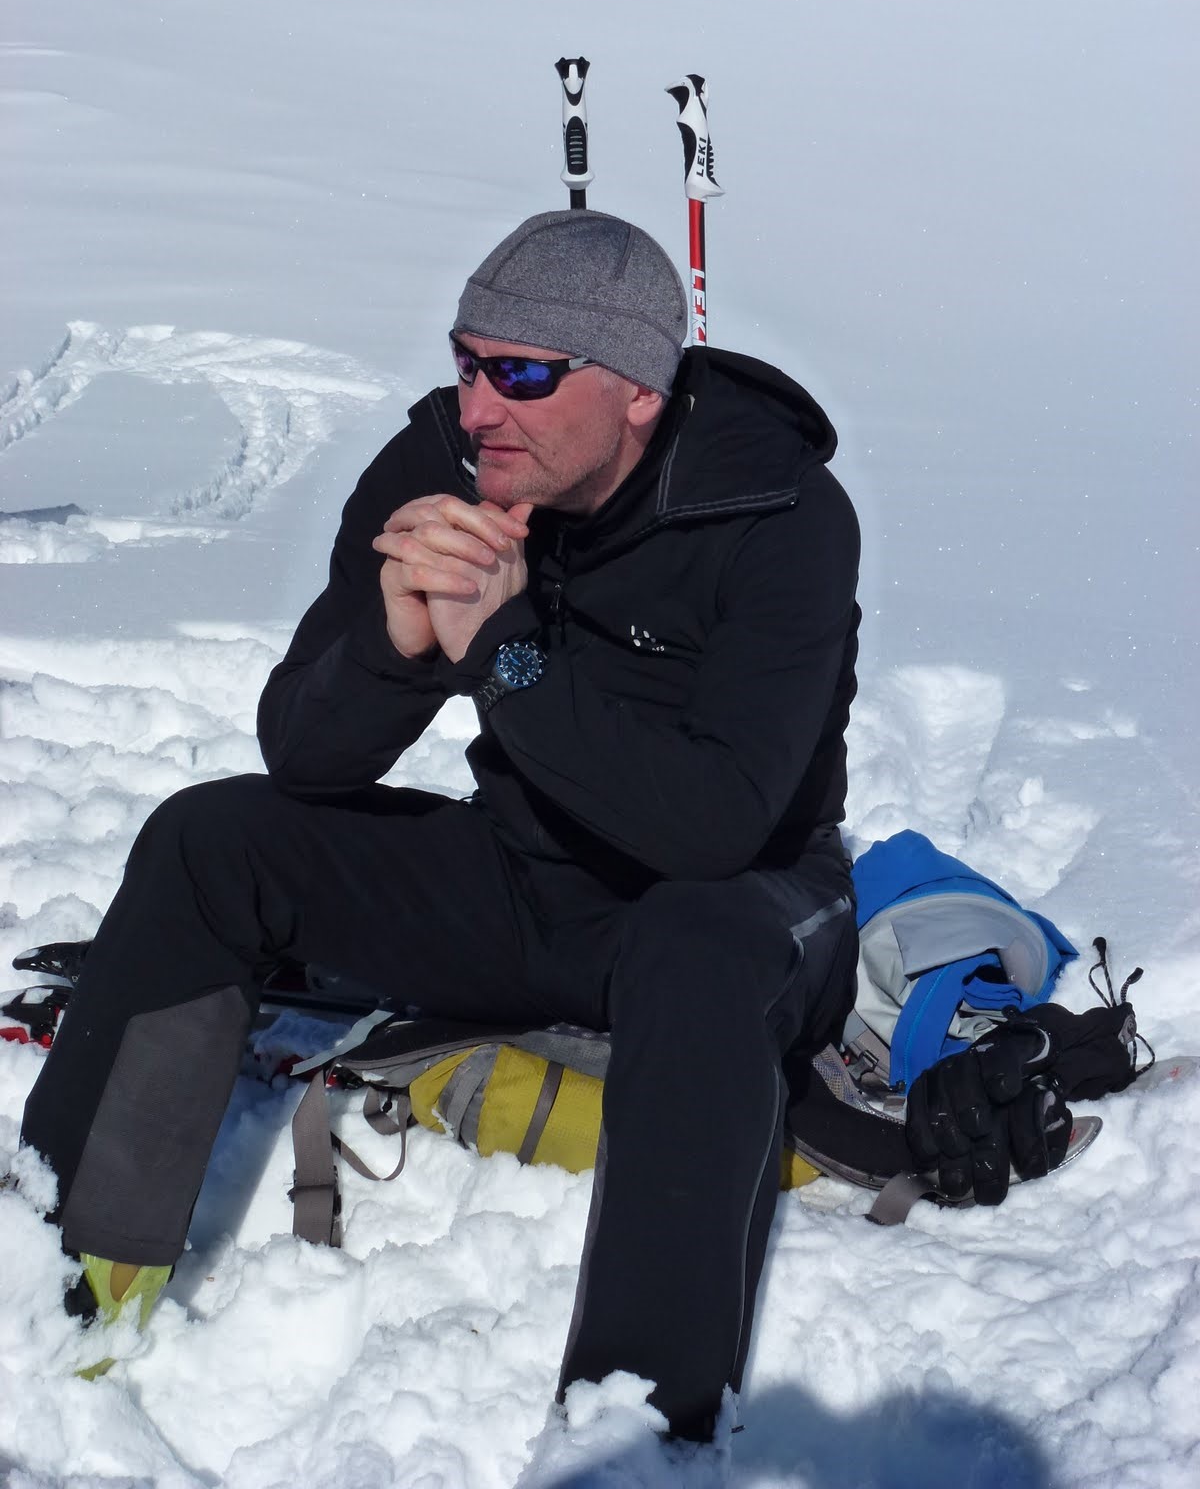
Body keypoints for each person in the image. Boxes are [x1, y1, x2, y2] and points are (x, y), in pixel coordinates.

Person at [21, 209, 862, 1441]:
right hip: (526, 879)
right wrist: (396, 645)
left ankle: (631, 1430)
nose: (478, 408)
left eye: (523, 374)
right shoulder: (439, 466)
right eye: (468, 360)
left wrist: (505, 652)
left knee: (697, 940)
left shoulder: (777, 510)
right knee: (214, 839)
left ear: (635, 391)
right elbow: (303, 753)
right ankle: (66, 1278)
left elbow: (717, 825)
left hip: (746, 904)